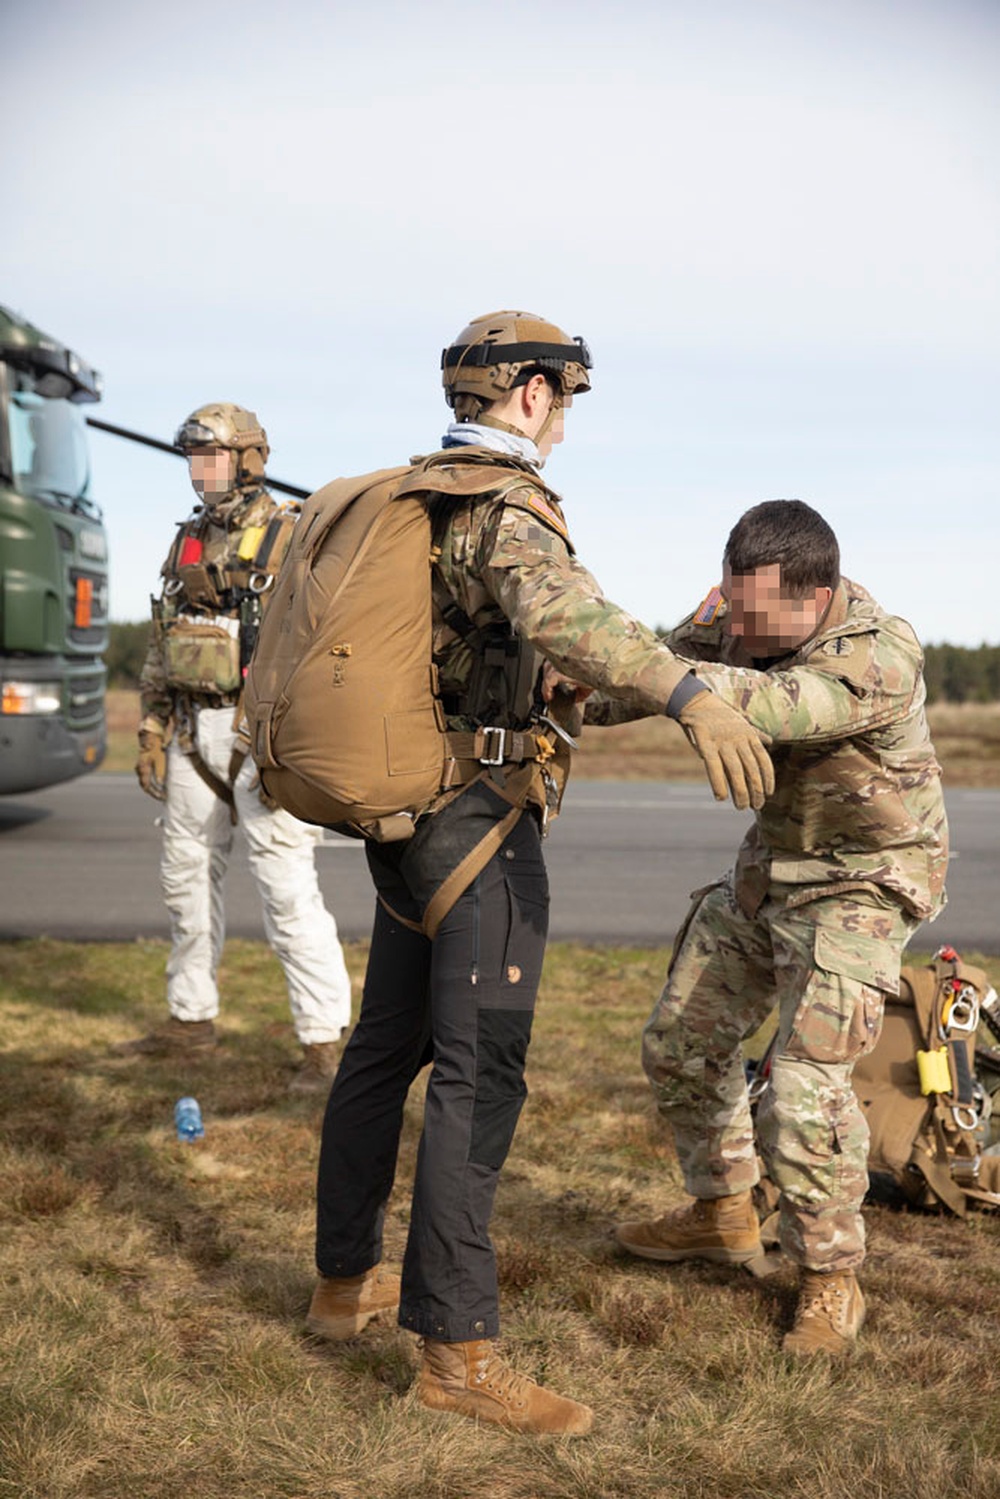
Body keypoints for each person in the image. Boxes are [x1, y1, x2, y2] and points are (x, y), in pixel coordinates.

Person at [304, 311, 774, 1436]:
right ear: (527, 392)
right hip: (478, 823)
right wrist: (689, 691)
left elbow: (519, 659)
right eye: (561, 396)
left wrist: (656, 657)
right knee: (481, 1074)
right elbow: (561, 612)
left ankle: (340, 1284)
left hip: (409, 814)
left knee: (385, 1048)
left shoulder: (421, 500)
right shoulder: (507, 506)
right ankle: (458, 1351)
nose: (562, 418)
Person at [608, 499, 948, 1356]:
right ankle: (723, 1210)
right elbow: (652, 675)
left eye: (759, 614)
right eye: (733, 603)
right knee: (680, 1043)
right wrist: (571, 682)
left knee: (804, 1089)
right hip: (774, 872)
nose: (740, 625)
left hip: (864, 885)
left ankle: (832, 1278)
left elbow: (764, 703)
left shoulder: (877, 656)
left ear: (817, 593)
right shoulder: (738, 610)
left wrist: (663, 673)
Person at [125, 402, 353, 1094]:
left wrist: (297, 737)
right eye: (192, 457)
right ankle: (191, 1019)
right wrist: (151, 730)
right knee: (185, 885)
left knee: (288, 895)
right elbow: (167, 640)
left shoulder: (290, 536)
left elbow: (323, 643)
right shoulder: (187, 541)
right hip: (195, 733)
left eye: (213, 456)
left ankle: (323, 1042)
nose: (200, 471)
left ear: (250, 460)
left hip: (263, 740)